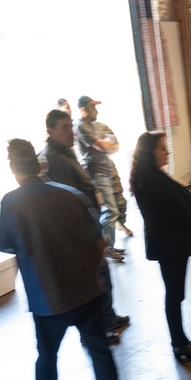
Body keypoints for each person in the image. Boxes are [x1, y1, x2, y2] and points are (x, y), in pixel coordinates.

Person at [0, 139, 130, 380]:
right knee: (99, 350)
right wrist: (89, 271)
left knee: (47, 354)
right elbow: (99, 242)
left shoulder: (11, 203)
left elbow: (11, 248)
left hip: (48, 296)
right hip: (87, 290)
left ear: (13, 168)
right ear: (39, 164)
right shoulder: (70, 194)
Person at [39, 109, 129, 345]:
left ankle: (109, 317)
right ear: (50, 130)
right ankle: (103, 325)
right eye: (65, 127)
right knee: (96, 277)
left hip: (90, 223)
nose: (71, 131)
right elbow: (66, 199)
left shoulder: (65, 152)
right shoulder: (53, 158)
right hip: (79, 230)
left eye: (71, 126)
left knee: (103, 272)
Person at [130, 132, 191, 363]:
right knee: (174, 295)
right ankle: (179, 343)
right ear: (150, 153)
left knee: (176, 294)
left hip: (171, 243)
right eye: (162, 148)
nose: (167, 152)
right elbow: (176, 211)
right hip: (169, 244)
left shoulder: (153, 176)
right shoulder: (152, 180)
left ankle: (181, 339)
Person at [75, 95, 131, 259]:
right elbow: (102, 146)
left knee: (114, 209)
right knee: (110, 211)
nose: (96, 111)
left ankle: (109, 246)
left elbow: (115, 145)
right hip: (97, 173)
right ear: (84, 109)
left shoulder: (98, 126)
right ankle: (106, 248)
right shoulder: (82, 128)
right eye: (93, 108)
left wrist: (108, 145)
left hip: (106, 170)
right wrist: (106, 144)